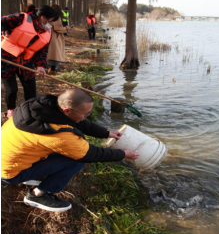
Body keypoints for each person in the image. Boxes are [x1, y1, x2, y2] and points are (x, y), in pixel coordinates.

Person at [1, 88, 140, 212]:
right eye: (85, 113)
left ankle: (37, 175)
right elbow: (90, 154)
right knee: (77, 160)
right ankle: (38, 195)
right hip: (10, 172)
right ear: (67, 110)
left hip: (10, 156)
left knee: (70, 147)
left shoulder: (42, 107)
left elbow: (78, 121)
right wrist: (123, 154)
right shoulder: (56, 133)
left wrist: (106, 133)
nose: (86, 116)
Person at [1, 5, 57, 119]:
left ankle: (30, 111)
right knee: (12, 89)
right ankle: (11, 110)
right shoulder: (21, 18)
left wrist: (40, 66)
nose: (51, 25)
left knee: (30, 88)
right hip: (6, 58)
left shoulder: (47, 32)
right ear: (43, 18)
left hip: (26, 61)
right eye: (50, 21)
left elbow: (43, 51)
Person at [46, 4, 69, 75]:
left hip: (48, 35)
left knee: (50, 53)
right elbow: (58, 28)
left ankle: (50, 68)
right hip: (55, 37)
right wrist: (66, 28)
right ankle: (53, 69)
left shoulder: (47, 16)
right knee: (55, 54)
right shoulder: (57, 18)